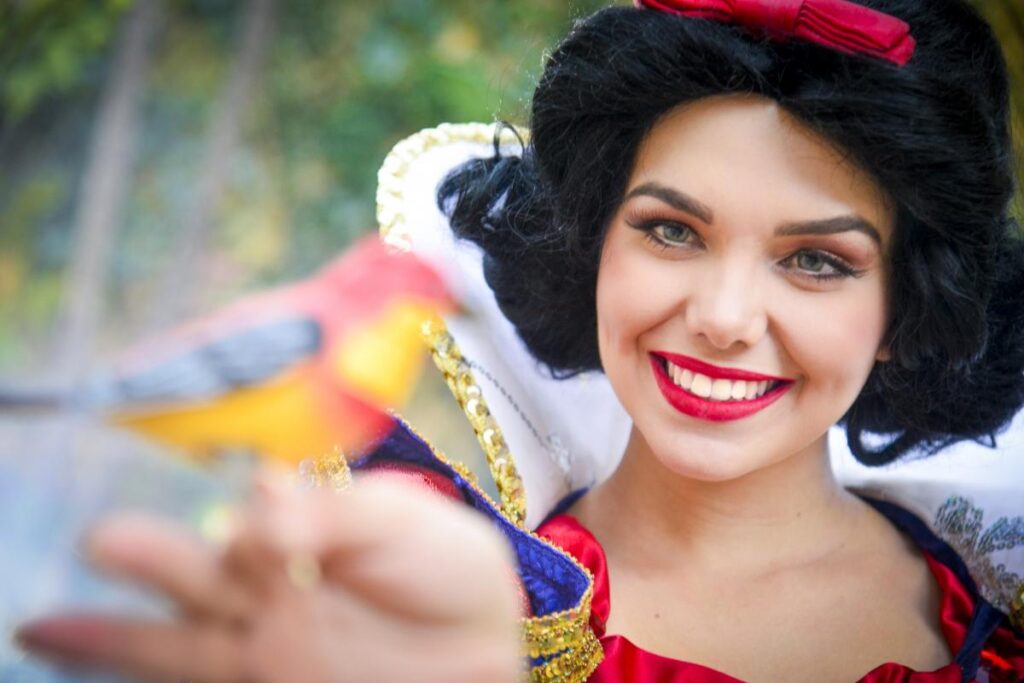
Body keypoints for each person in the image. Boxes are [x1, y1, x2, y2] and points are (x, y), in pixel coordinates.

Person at [14, 0, 1024, 681]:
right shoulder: (426, 605)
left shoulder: (996, 614)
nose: (723, 316)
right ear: (594, 250)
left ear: (902, 309)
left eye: (814, 260)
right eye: (671, 231)